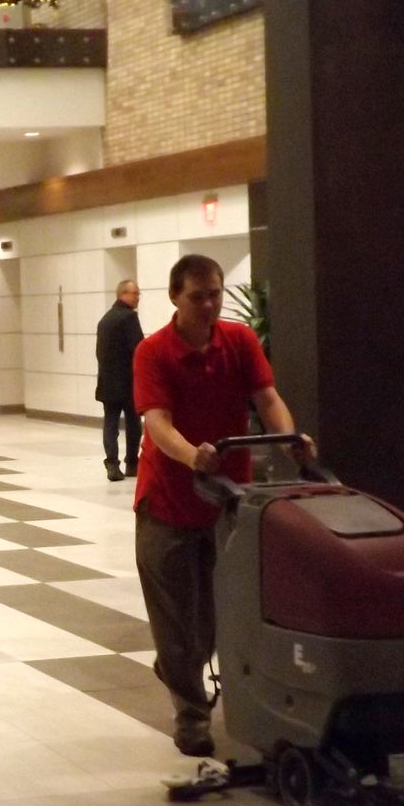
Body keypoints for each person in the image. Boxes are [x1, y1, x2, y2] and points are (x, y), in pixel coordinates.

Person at [133, 254, 313, 758]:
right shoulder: (153, 352)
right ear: (174, 297)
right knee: (176, 619)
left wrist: (288, 437)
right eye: (198, 296)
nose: (210, 304)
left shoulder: (239, 340)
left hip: (228, 502)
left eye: (215, 293)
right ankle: (192, 715)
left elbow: (267, 396)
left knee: (217, 618)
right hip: (167, 501)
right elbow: (157, 424)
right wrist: (196, 458)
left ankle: (178, 667)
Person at [94, 279, 144, 481]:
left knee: (111, 424)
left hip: (107, 381)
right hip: (128, 382)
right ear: (123, 294)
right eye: (135, 293)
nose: (138, 297)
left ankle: (112, 464)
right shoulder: (129, 318)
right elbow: (140, 350)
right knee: (133, 424)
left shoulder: (105, 319)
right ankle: (132, 463)